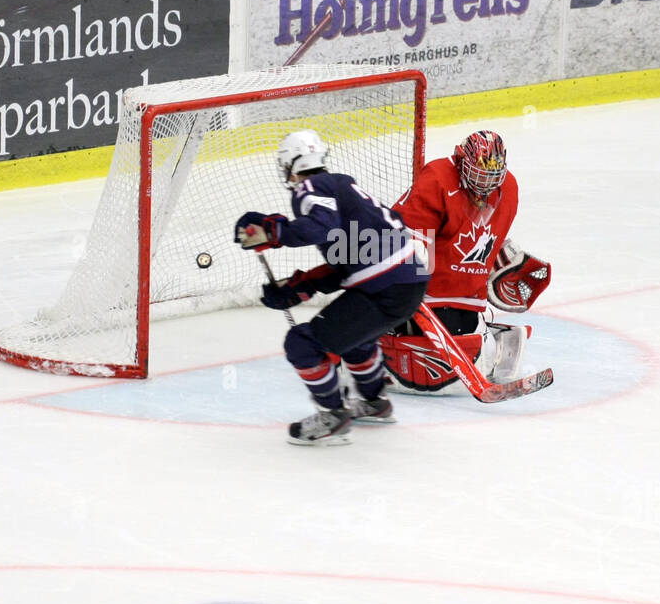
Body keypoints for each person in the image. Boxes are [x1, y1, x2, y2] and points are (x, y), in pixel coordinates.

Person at [235, 129, 427, 445]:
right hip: (407, 284)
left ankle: (332, 416)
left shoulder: (310, 187)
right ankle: (374, 403)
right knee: (354, 341)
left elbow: (321, 226)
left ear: (289, 165)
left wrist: (274, 231)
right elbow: (349, 260)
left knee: (302, 345)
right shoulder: (341, 185)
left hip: (385, 289)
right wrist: (301, 286)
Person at [385, 130, 551, 393]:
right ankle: (494, 336)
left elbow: (488, 236)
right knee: (404, 339)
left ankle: (493, 335)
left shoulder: (508, 188)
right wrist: (408, 289)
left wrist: (500, 255)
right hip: (426, 283)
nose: (485, 184)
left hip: (464, 291)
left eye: (492, 176)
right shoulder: (438, 178)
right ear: (462, 162)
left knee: (452, 343)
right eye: (479, 174)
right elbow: (408, 235)